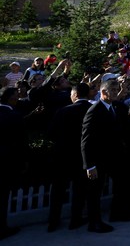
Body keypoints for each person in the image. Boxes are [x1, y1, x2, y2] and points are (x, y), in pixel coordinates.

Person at [47, 82, 91, 232]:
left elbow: (51, 134)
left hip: (61, 156)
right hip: (82, 157)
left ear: (75, 94)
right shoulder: (92, 110)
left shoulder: (63, 111)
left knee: (57, 191)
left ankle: (53, 221)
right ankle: (76, 219)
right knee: (79, 190)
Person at [81, 79, 124, 233]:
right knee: (95, 193)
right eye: (113, 90)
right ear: (104, 92)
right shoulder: (95, 110)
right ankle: (94, 222)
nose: (115, 92)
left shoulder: (113, 108)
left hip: (111, 159)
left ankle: (116, 213)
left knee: (119, 183)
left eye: (116, 89)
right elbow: (86, 140)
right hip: (97, 161)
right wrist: (90, 165)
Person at [0, 87, 27, 240]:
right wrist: (24, 162)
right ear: (11, 98)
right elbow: (21, 143)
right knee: (3, 197)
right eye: (16, 95)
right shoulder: (14, 116)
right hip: (6, 163)